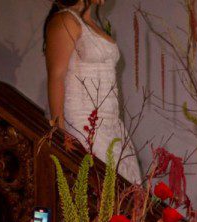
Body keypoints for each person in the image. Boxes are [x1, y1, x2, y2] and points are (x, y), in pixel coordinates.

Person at [44, 0, 142, 183]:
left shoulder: (92, 22)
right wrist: (59, 132)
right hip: (82, 124)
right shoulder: (65, 20)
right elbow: (56, 77)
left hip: (111, 124)